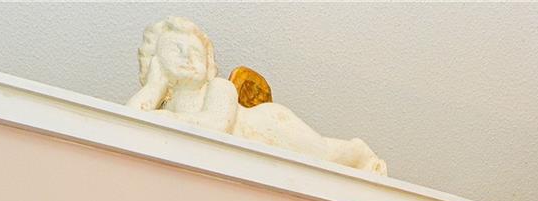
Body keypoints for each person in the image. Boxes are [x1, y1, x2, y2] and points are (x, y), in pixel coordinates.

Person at [127, 18, 388, 175]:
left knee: (324, 154)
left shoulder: (219, 88)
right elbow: (125, 128)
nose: (188, 57)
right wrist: (153, 85)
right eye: (176, 49)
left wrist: (161, 116)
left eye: (196, 52)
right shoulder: (165, 106)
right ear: (155, 61)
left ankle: (360, 152)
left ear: (208, 65)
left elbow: (213, 128)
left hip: (270, 127)